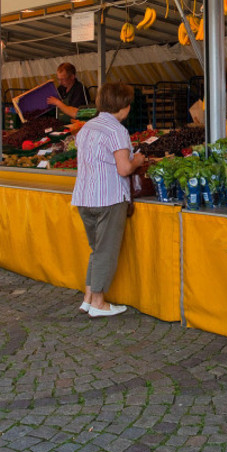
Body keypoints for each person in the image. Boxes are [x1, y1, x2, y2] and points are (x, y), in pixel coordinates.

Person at [71, 82, 146, 318]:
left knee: (96, 249)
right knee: (106, 252)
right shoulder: (116, 131)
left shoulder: (86, 128)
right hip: (108, 198)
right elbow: (124, 169)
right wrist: (139, 160)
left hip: (84, 197)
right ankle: (99, 303)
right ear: (123, 106)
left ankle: (88, 297)